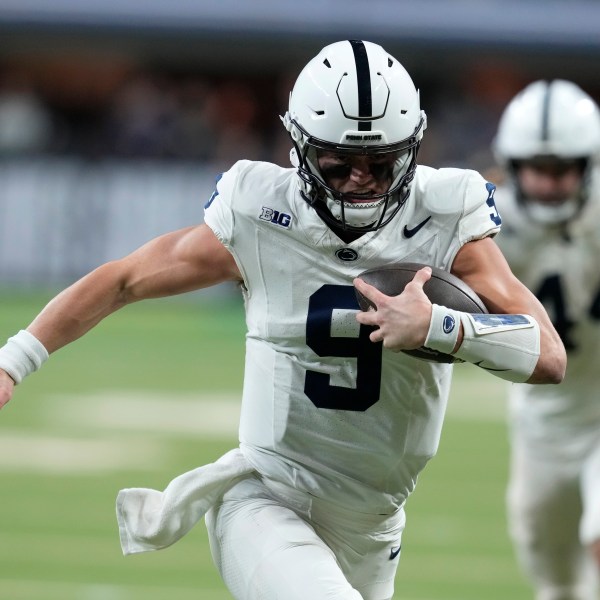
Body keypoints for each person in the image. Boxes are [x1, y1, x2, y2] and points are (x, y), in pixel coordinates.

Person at [0, 41, 565, 600]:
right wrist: (13, 360)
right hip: (268, 499)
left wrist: (440, 328)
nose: (361, 178)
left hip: (374, 524)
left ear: (412, 149)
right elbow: (124, 280)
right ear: (299, 148)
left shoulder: (444, 217)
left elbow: (548, 356)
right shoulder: (262, 214)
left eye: (380, 161)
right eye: (339, 161)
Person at [491, 79, 600, 600]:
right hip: (543, 424)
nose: (551, 183)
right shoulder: (486, 227)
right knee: (557, 585)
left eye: (563, 169)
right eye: (538, 168)